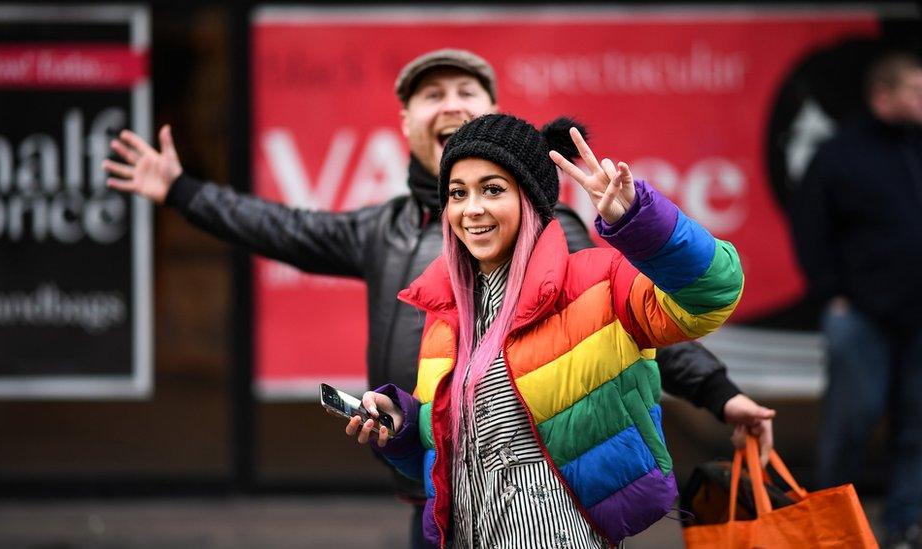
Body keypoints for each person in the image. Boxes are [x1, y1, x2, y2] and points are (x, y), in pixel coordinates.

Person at [103, 48, 772, 547]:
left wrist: (717, 389)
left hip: (555, 512)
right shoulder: (410, 267)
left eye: (466, 90)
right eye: (431, 94)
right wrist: (398, 420)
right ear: (406, 124)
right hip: (443, 496)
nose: (449, 102)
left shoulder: (572, 248)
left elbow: (643, 327)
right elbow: (284, 231)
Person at [346, 114, 744, 547]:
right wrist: (402, 429)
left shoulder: (598, 281)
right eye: (458, 194)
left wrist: (640, 222)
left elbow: (714, 293)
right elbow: (453, 453)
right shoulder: (446, 311)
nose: (472, 209)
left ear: (531, 199)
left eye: (492, 190)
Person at [792, 50, 922, 548]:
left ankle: (904, 525)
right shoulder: (840, 154)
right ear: (883, 95)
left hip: (917, 316)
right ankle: (828, 527)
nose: (920, 100)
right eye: (913, 90)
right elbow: (810, 230)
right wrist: (832, 293)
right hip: (861, 316)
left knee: (915, 427)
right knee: (852, 421)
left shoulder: (916, 148)